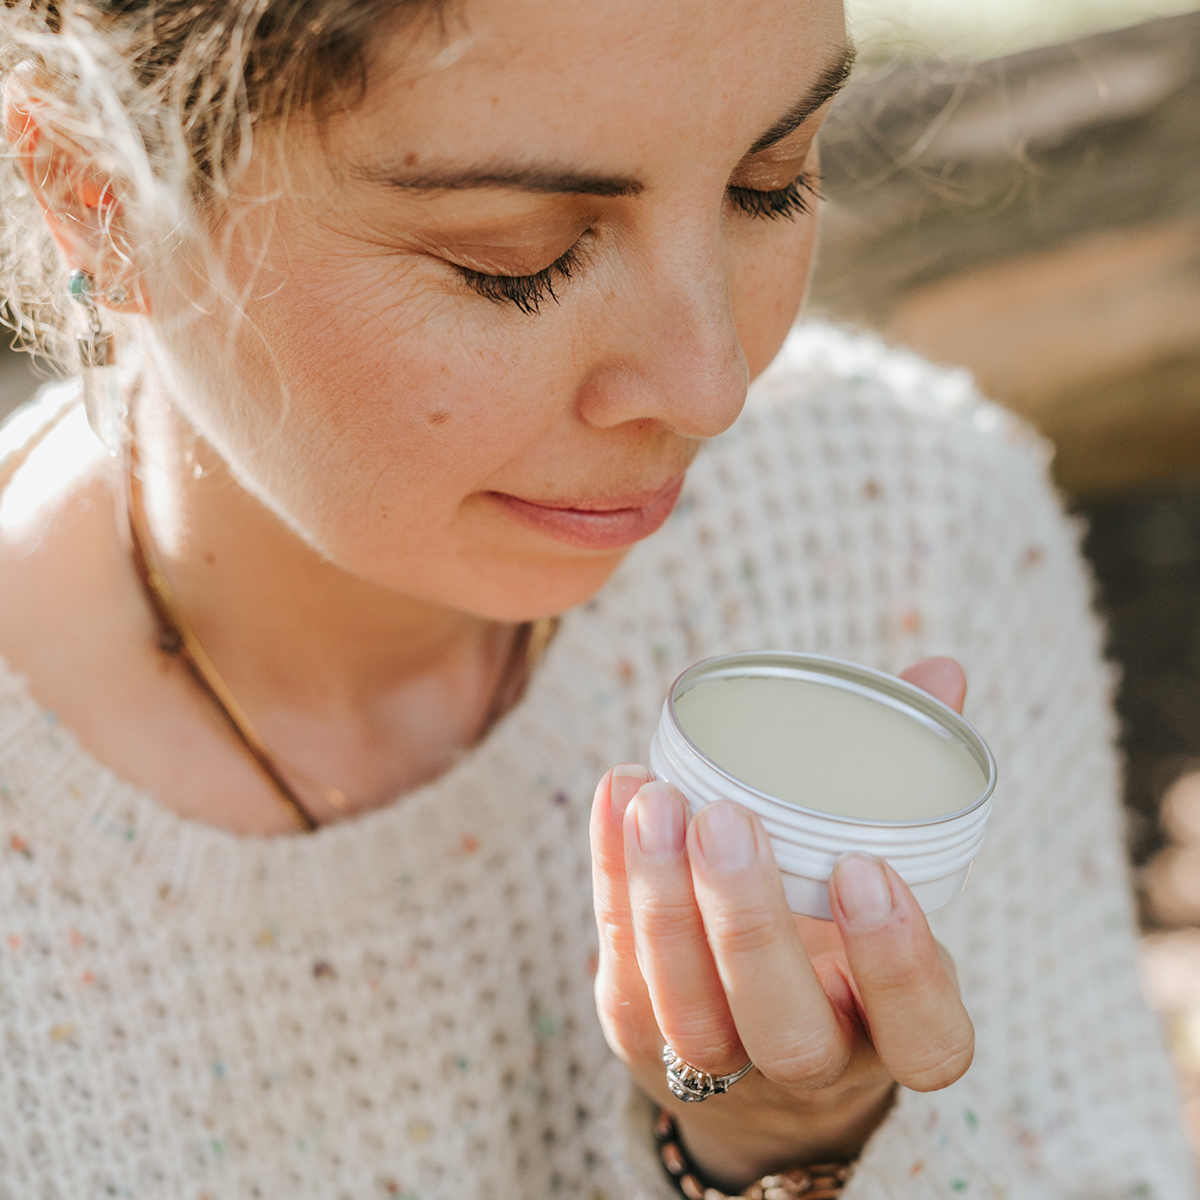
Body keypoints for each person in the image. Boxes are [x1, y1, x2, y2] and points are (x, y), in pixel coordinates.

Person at [0, 1, 1191, 1196]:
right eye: (515, 258)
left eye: (769, 184)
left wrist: (782, 1147)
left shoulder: (896, 519)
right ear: (95, 192)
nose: (711, 386)